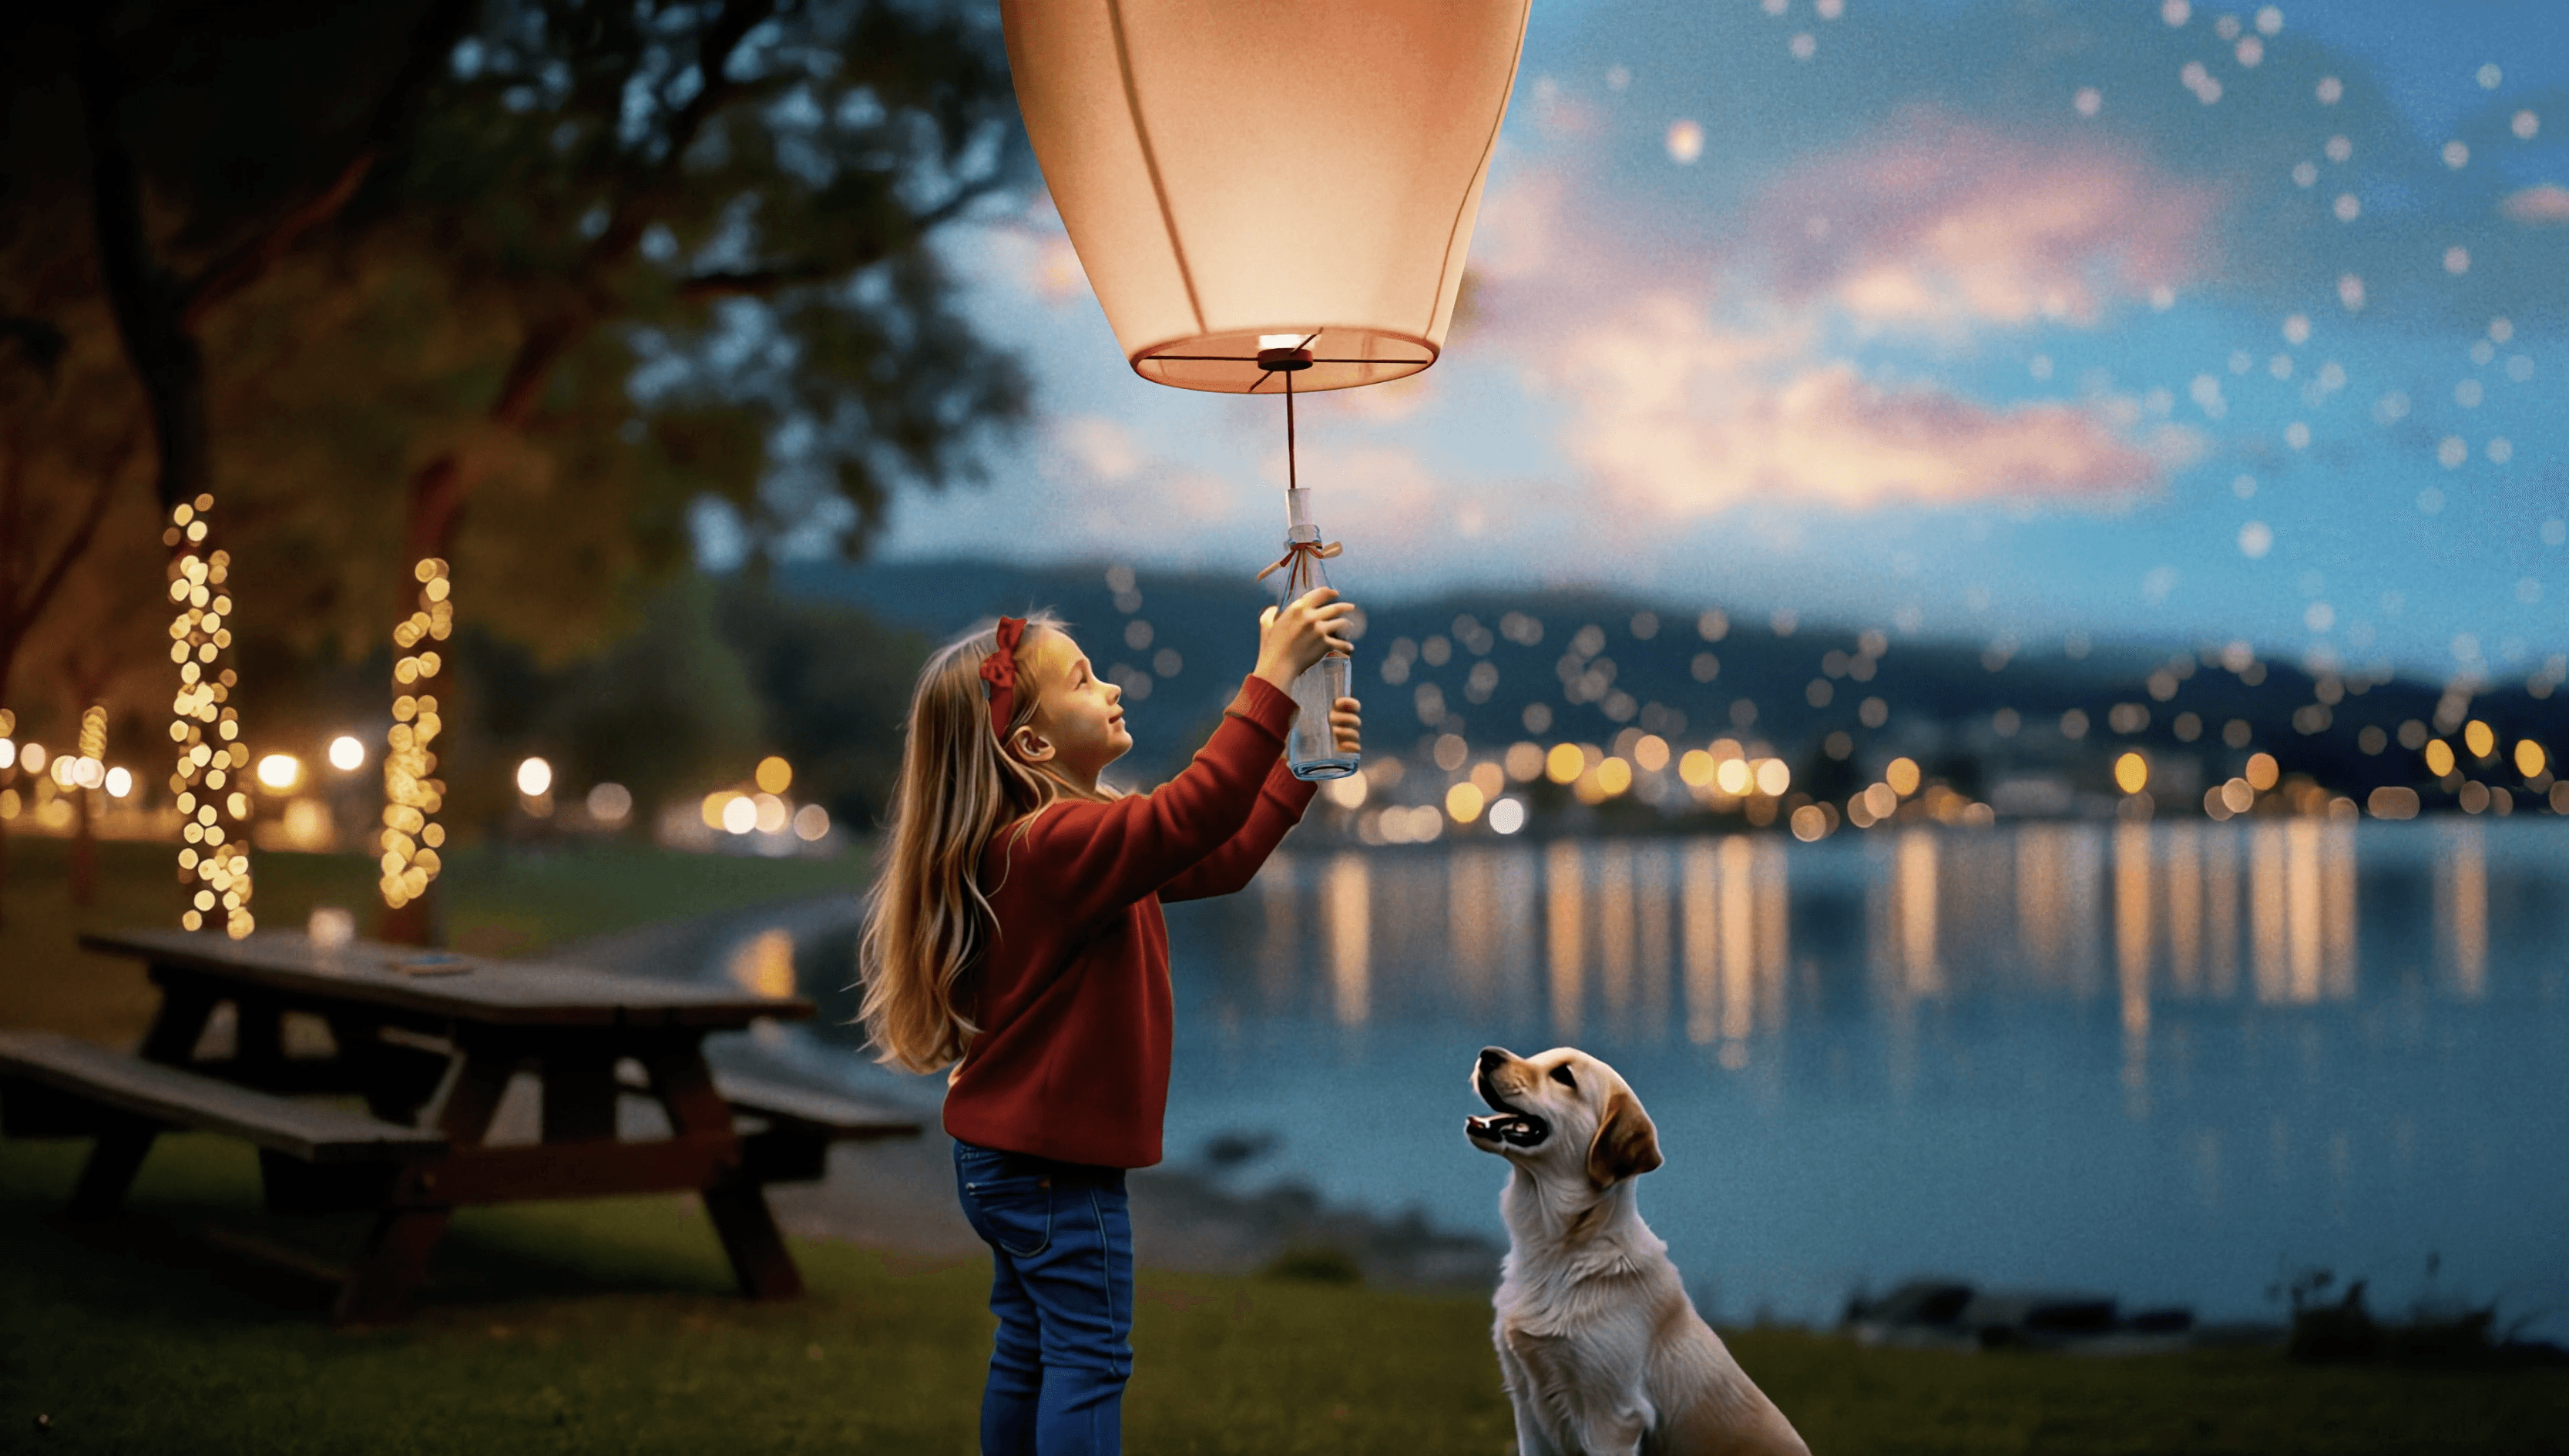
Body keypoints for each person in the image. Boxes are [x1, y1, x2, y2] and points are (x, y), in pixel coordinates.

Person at [858, 590, 1362, 1455]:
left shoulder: (1054, 848)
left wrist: (1299, 768)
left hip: (1001, 1161)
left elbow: (1219, 856)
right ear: (1033, 746)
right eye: (1086, 681)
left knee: (1029, 1351)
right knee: (1088, 1361)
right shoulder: (1049, 848)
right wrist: (1271, 678)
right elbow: (1188, 814)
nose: (1113, 689)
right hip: (1056, 1171)